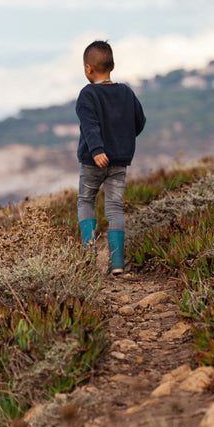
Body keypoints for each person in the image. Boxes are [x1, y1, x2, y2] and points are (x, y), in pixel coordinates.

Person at [76, 40, 146, 273]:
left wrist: (97, 151)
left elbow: (90, 125)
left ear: (88, 68)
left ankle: (88, 258)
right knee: (115, 207)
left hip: (92, 161)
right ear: (112, 66)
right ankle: (116, 264)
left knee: (86, 200)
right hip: (119, 161)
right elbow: (139, 122)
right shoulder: (126, 92)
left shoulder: (87, 95)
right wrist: (122, 140)